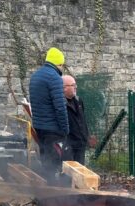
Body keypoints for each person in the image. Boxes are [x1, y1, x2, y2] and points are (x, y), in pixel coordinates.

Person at [29, 47, 69, 183]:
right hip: (53, 130)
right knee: (53, 165)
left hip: (39, 128)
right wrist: (65, 129)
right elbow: (60, 107)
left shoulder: (35, 76)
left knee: (45, 162)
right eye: (62, 64)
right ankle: (52, 198)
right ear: (59, 63)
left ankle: (42, 195)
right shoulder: (55, 78)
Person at [62, 75, 95, 165]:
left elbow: (82, 120)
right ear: (64, 87)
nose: (75, 87)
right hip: (69, 144)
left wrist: (87, 136)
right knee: (69, 170)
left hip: (81, 143)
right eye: (72, 85)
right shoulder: (60, 103)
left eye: (75, 85)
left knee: (80, 169)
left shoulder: (78, 100)